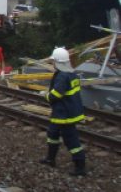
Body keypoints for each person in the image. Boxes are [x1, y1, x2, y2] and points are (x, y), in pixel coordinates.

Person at [39, 47, 86, 176]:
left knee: (71, 140)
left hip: (65, 114)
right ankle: (50, 159)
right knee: (52, 133)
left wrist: (46, 95)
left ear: (58, 61)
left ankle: (80, 166)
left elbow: (56, 94)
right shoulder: (71, 73)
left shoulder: (63, 76)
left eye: (53, 61)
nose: (52, 63)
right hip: (64, 111)